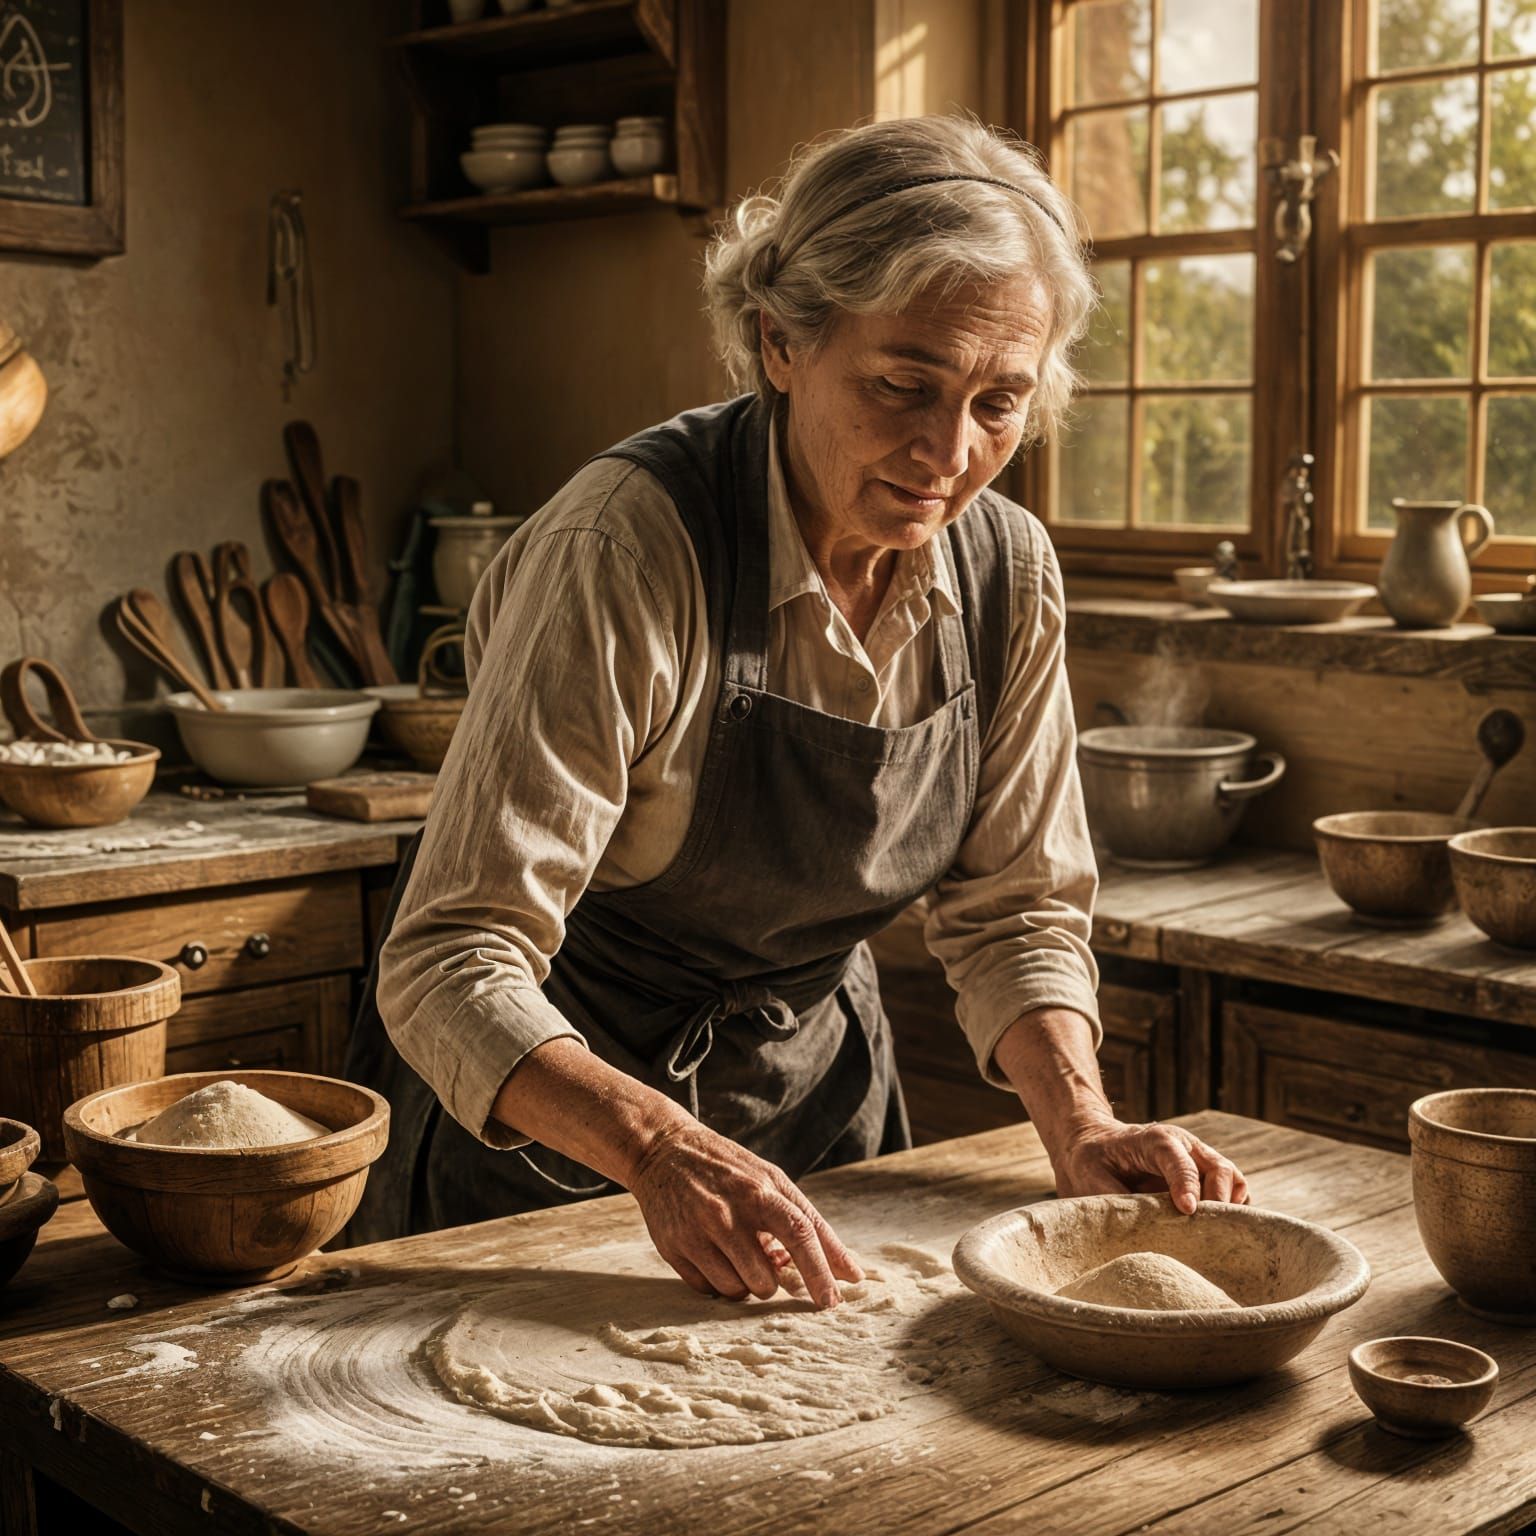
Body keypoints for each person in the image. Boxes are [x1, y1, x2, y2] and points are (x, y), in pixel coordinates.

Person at [345, 115, 1249, 1309]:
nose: (949, 451)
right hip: (555, 1144)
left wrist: (1082, 1129)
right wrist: (659, 1148)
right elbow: (451, 958)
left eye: (999, 403)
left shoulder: (1007, 570)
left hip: (823, 1122)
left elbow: (1014, 910)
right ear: (780, 341)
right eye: (903, 385)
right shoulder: (624, 547)